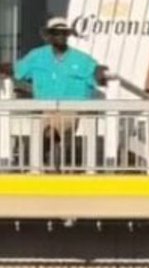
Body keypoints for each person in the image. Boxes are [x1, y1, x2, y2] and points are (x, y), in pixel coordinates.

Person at [0, 17, 108, 165]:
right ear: (49, 36)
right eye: (57, 33)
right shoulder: (36, 56)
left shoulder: (82, 59)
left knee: (56, 127)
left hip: (71, 108)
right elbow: (16, 69)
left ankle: (50, 162)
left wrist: (101, 73)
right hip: (43, 108)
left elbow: (97, 73)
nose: (61, 36)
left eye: (65, 33)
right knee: (41, 126)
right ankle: (39, 166)